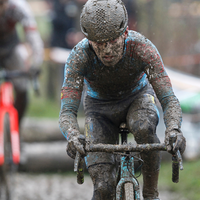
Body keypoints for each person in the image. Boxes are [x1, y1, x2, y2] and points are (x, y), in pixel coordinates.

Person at [59, 0, 186, 199]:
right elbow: (67, 112)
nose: (107, 50)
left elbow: (169, 99)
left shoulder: (142, 48)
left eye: (113, 41)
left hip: (138, 99)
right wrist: (73, 136)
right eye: (99, 44)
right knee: (103, 188)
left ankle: (151, 192)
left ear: (125, 33)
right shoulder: (78, 56)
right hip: (99, 110)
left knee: (144, 126)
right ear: (88, 40)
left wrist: (174, 129)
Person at [0, 0, 43, 127]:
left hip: (10, 48)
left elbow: (32, 35)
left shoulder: (18, 7)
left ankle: (15, 129)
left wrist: (36, 63)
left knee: (22, 88)